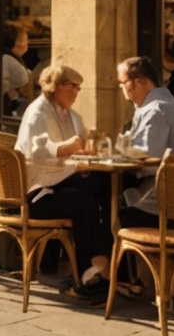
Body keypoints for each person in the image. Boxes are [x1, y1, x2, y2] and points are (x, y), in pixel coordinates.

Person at [15, 64, 113, 300]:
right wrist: (70, 148)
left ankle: (104, 266)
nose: (77, 92)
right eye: (73, 86)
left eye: (79, 87)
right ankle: (88, 275)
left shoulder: (69, 114)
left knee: (103, 187)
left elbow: (78, 148)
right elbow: (37, 152)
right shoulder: (38, 112)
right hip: (37, 193)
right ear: (57, 86)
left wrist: (84, 156)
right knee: (83, 202)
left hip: (60, 183)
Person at [114, 56, 174, 224]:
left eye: (122, 82)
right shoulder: (155, 104)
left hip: (165, 202)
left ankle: (108, 249)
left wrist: (119, 153)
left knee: (105, 196)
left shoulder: (156, 109)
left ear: (138, 82)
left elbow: (147, 159)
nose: (121, 88)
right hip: (169, 193)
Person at [0, 27, 34, 109]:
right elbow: (22, 80)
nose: (27, 42)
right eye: (26, 39)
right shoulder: (7, 59)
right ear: (18, 42)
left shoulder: (13, 58)